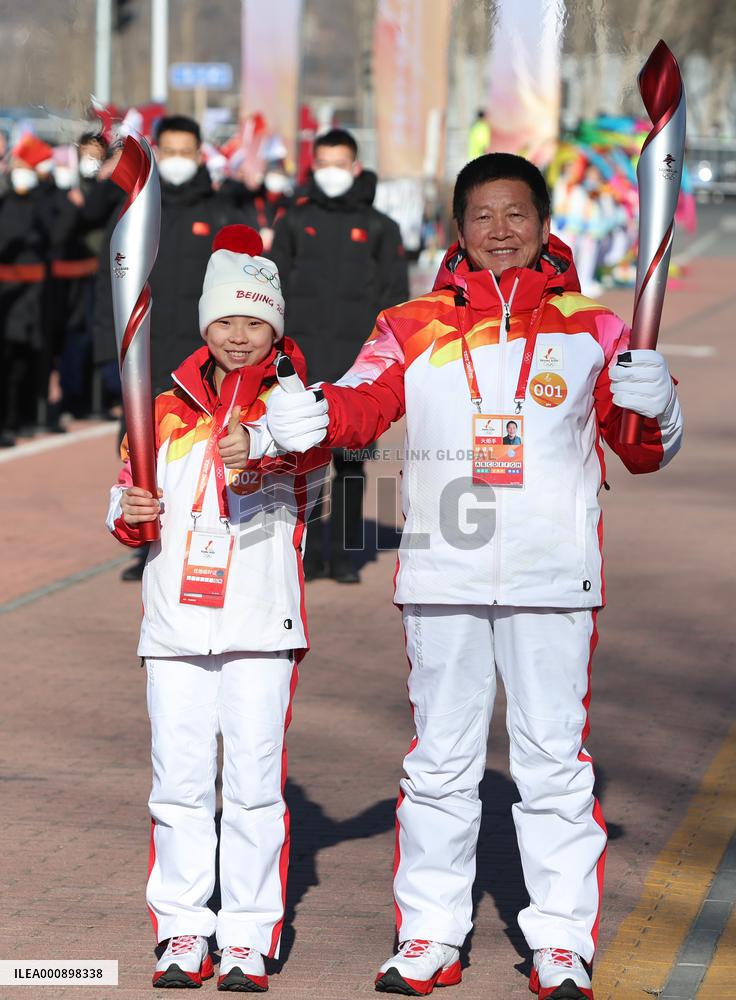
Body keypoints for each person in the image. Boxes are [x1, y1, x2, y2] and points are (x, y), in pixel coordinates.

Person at [264, 153, 684, 999]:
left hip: (552, 579)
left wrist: (657, 402)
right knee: (440, 766)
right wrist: (308, 415)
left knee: (553, 766)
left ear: (542, 222)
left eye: (516, 214)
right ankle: (429, 934)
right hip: (443, 578)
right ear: (458, 229)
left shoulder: (595, 327)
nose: (500, 232)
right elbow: (361, 405)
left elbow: (638, 453)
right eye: (483, 217)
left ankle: (561, 941)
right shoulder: (410, 322)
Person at [106, 226, 329, 991]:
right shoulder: (159, 408)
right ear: (206, 324)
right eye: (226, 321)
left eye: (255, 321)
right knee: (179, 782)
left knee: (255, 786)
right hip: (174, 624)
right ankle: (181, 930)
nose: (240, 336)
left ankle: (246, 934)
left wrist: (265, 449)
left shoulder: (297, 402)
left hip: (260, 627)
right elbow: (128, 507)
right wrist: (131, 511)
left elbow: (316, 486)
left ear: (276, 326)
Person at [94, 115, 247, 580]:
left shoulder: (221, 213)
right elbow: (110, 288)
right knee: (141, 452)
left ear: (200, 154)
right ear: (156, 152)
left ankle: (204, 538)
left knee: (199, 454)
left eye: (187, 151)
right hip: (143, 359)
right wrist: (108, 353)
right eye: (170, 151)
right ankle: (146, 542)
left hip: (202, 365)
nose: (178, 161)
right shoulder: (134, 209)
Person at [268, 127, 409, 583]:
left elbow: (396, 304)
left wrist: (385, 367)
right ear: (313, 168)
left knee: (350, 468)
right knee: (303, 465)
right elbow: (274, 293)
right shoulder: (292, 223)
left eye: (338, 164)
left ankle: (346, 555)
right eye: (322, 164)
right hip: (300, 367)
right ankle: (307, 552)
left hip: (357, 371)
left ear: (355, 168)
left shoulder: (379, 228)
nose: (331, 173)